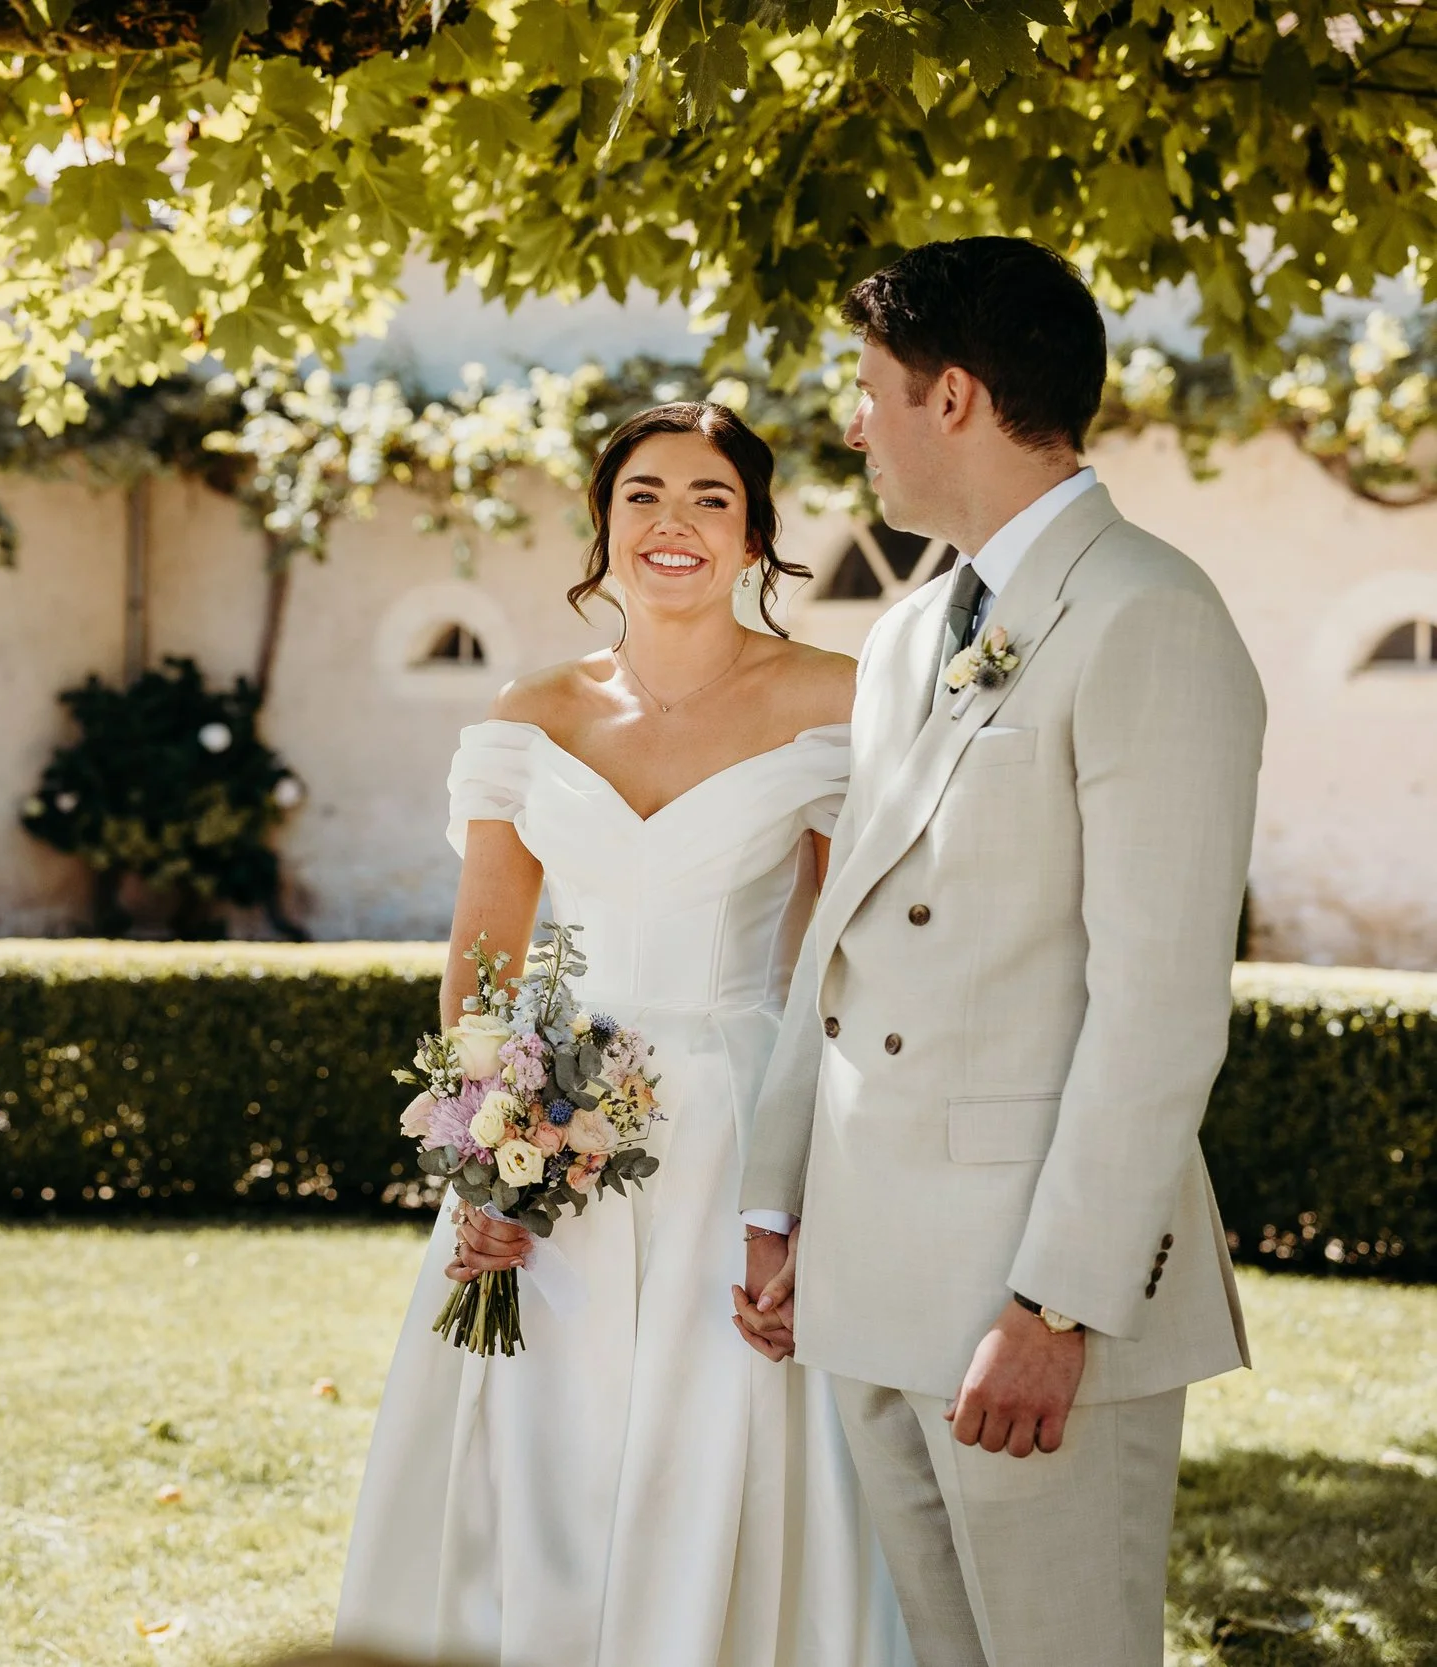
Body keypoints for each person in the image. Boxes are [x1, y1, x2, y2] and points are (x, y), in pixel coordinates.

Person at [735, 238, 1262, 1667]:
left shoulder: (1154, 616)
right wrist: (779, 1200)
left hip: (1033, 1296)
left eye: (869, 387)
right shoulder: (910, 632)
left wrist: (1058, 1302)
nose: (852, 423)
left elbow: (1158, 1006)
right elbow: (841, 940)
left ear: (951, 397)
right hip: (874, 1273)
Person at [337, 404, 914, 1666]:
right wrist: (480, 1158)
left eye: (711, 497)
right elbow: (485, 962)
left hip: (741, 1119)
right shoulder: (530, 709)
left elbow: (847, 963)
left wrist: (814, 1194)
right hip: (547, 1123)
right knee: (545, 1432)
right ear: (602, 525)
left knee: (729, 1425)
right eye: (643, 493)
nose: (674, 522)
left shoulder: (835, 698)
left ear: (757, 531)